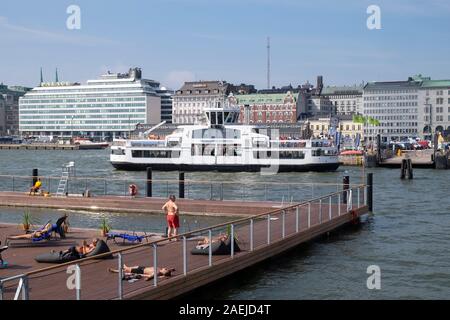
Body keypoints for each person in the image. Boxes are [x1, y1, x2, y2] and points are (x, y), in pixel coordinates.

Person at [108, 265, 175, 281]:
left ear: (164, 272)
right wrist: (171, 270)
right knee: (132, 267)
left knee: (127, 270)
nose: (165, 268)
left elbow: (151, 276)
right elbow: (169, 272)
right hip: (143, 267)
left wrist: (148, 278)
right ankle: (126, 266)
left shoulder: (157, 272)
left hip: (141, 271)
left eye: (165, 269)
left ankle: (115, 271)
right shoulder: (160, 270)